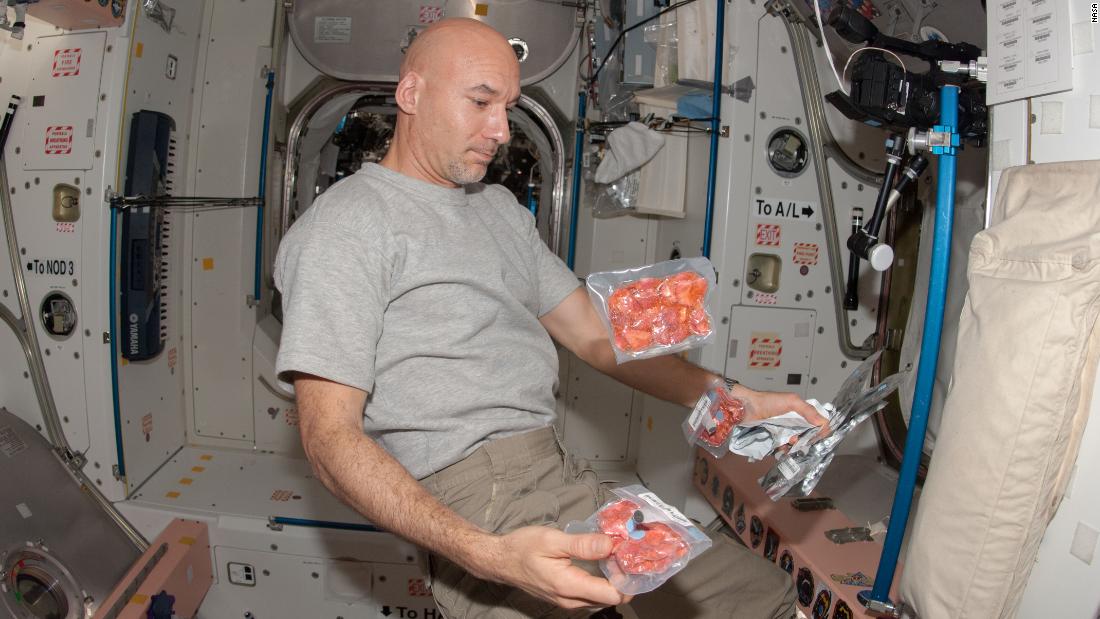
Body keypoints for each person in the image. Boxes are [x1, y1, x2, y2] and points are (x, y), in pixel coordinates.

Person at [275, 17, 826, 619]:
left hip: (562, 475)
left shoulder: (499, 210)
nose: (500, 130)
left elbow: (593, 336)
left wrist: (733, 398)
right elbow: (329, 442)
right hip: (476, 506)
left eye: (509, 107)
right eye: (481, 101)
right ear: (411, 95)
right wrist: (487, 557)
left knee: (763, 600)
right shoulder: (346, 226)